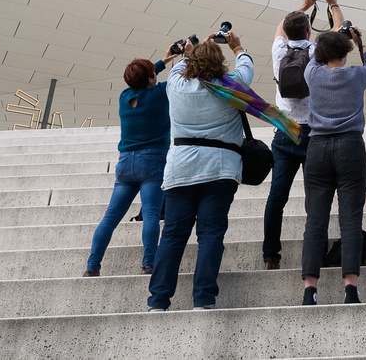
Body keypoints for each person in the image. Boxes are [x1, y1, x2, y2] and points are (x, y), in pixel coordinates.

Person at [146, 33, 249, 311]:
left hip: (181, 169)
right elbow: (246, 67)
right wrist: (238, 47)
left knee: (172, 235)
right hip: (220, 169)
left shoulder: (176, 85)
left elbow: (180, 66)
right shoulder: (231, 86)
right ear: (220, 63)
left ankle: (158, 300)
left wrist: (190, 51)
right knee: (211, 234)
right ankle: (203, 299)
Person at [262, 0, 346, 270]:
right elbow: (338, 31)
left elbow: (281, 28)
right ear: (309, 31)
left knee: (277, 197)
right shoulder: (316, 52)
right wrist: (332, 4)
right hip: (313, 133)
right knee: (316, 197)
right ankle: (317, 252)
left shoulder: (279, 50)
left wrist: (305, 4)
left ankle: (271, 255)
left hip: (285, 130)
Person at [300, 23, 366, 305]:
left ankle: (310, 289)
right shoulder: (356, 75)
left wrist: (330, 36)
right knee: (350, 219)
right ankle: (350, 288)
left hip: (317, 148)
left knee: (315, 220)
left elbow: (314, 56)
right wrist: (360, 44)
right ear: (345, 53)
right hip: (350, 146)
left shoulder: (312, 73)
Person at [84, 55, 172, 277]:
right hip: (152, 162)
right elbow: (180, 76)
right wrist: (182, 55)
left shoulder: (124, 97)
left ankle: (93, 266)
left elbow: (143, 79)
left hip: (125, 164)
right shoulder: (160, 94)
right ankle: (148, 263)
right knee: (151, 214)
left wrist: (162, 61)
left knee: (110, 218)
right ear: (150, 77)